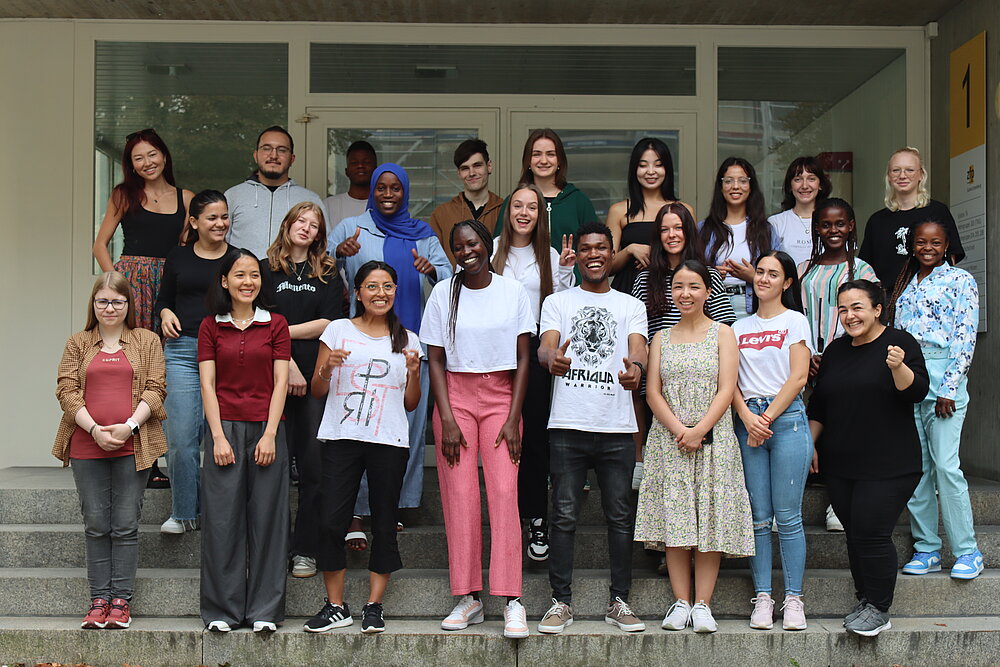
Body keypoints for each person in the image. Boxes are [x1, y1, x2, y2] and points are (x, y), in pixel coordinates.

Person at [328, 163, 452, 547]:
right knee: (362, 424)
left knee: (407, 429)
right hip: (362, 347)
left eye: (395, 188)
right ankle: (357, 509)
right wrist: (337, 257)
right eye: (381, 187)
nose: (386, 194)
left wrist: (431, 271)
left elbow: (450, 280)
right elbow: (319, 272)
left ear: (405, 192)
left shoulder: (423, 233)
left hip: (409, 345)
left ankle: (395, 505)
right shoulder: (351, 228)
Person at [421, 220, 535, 639]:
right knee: (460, 496)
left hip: (502, 396)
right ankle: (468, 597)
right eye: (458, 246)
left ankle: (511, 599)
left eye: (472, 243)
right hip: (455, 397)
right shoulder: (442, 293)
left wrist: (513, 417)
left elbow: (524, 359)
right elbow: (434, 359)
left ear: (487, 246)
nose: (465, 251)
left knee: (504, 493)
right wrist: (446, 417)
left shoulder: (512, 292)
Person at [537, 222, 648, 635]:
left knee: (619, 516)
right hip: (567, 423)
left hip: (617, 426)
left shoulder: (629, 304)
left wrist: (636, 369)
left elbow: (638, 346)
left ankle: (620, 602)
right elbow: (546, 344)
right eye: (586, 249)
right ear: (578, 255)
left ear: (611, 251)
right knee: (563, 515)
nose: (594, 255)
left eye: (602, 248)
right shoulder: (557, 301)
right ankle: (560, 603)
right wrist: (551, 359)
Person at [303, 261, 422, 635]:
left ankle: (375, 606)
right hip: (342, 437)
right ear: (358, 293)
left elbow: (411, 404)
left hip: (388, 441)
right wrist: (327, 368)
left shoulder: (408, 340)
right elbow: (317, 389)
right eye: (372, 286)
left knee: (385, 522)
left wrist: (415, 375)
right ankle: (336, 606)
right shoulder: (338, 330)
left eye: (387, 286)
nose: (380, 293)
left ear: (395, 291)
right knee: (330, 521)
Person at [635, 260, 752, 635]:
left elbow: (727, 388)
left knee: (709, 519)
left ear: (708, 291)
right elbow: (652, 392)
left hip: (713, 440)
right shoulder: (661, 339)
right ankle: (680, 601)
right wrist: (679, 431)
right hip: (669, 442)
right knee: (677, 519)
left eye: (694, 286)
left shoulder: (723, 334)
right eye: (679, 286)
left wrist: (699, 429)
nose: (686, 293)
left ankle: (703, 604)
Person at [808, 279, 928, 636]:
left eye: (857, 307)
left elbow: (917, 391)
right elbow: (820, 405)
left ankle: (879, 608)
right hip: (842, 464)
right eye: (843, 309)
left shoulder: (900, 344)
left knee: (872, 533)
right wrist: (810, 446)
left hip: (890, 463)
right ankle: (866, 599)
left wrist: (897, 367)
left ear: (878, 309)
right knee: (855, 534)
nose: (849, 315)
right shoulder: (836, 351)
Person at [54, 272, 167, 630]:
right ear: (93, 304)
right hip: (87, 444)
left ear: (128, 305)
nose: (110, 308)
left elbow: (156, 388)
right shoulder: (77, 343)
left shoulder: (147, 341)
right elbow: (66, 391)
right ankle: (98, 600)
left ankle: (120, 602)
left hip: (134, 445)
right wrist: (94, 430)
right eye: (102, 301)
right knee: (96, 524)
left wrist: (129, 426)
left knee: (125, 524)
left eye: (118, 301)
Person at [198, 248, 291, 633]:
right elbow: (207, 383)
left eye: (254, 275)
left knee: (269, 521)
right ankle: (222, 611)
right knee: (221, 522)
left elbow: (282, 381)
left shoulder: (276, 324)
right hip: (224, 429)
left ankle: (265, 611)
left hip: (267, 430)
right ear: (224, 281)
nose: (248, 281)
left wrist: (270, 433)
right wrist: (218, 437)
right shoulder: (210, 326)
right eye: (239, 275)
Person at [92, 128, 190, 488]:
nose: (147, 162)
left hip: (168, 286)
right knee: (129, 368)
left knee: (159, 373)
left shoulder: (186, 198)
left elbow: (185, 246)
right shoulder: (124, 195)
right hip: (131, 284)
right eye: (138, 158)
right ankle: (129, 454)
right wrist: (116, 286)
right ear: (130, 165)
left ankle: (154, 459)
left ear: (164, 155)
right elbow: (100, 245)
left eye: (152, 154)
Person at [886, 221, 983, 580]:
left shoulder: (960, 281)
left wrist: (949, 387)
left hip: (945, 379)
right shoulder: (905, 284)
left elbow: (965, 336)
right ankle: (926, 548)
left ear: (946, 246)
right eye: (921, 242)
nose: (928, 248)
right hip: (910, 377)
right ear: (912, 246)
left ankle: (968, 551)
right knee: (918, 467)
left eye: (936, 242)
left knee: (945, 465)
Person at [491, 184, 576, 562]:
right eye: (518, 206)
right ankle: (507, 520)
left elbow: (561, 308)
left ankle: (537, 517)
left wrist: (568, 272)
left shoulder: (553, 256)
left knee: (535, 441)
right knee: (502, 441)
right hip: (495, 359)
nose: (524, 213)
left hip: (536, 359)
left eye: (533, 207)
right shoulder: (490, 249)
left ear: (541, 215)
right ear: (508, 211)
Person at [731, 252, 812, 631]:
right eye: (760, 272)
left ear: (787, 283)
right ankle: (763, 596)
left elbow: (798, 378)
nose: (763, 278)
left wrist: (765, 418)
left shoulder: (795, 321)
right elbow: (728, 382)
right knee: (758, 518)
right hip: (749, 424)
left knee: (789, 516)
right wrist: (748, 418)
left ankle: (794, 598)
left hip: (787, 421)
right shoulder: (736, 327)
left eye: (772, 274)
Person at [631, 203, 736, 490]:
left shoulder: (709, 276)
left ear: (689, 231)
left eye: (678, 228)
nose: (671, 235)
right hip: (662, 372)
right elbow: (638, 330)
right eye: (664, 229)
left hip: (702, 375)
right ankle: (640, 460)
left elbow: (727, 324)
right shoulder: (644, 278)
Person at [264, 202, 343, 579]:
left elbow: (329, 322)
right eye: (301, 221)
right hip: (271, 376)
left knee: (313, 466)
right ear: (288, 225)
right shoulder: (264, 270)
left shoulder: (328, 272)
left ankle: (305, 550)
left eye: (314, 225)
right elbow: (257, 319)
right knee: (273, 467)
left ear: (319, 235)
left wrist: (280, 334)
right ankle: (272, 549)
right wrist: (287, 359)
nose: (306, 228)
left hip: (315, 380)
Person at [797, 197, 878, 533]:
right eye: (826, 224)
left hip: (846, 359)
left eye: (840, 223)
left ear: (851, 226)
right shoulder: (803, 269)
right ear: (817, 227)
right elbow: (795, 316)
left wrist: (832, 357)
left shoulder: (862, 270)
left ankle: (836, 505)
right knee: (800, 432)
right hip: (805, 363)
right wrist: (805, 357)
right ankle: (790, 505)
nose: (833, 230)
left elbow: (868, 318)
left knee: (843, 432)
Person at [154, 190, 232, 534]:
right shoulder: (178, 257)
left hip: (228, 353)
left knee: (224, 438)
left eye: (225, 216)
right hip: (183, 351)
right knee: (182, 438)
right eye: (212, 217)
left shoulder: (241, 259)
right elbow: (163, 300)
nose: (220, 223)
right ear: (194, 222)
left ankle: (220, 516)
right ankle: (184, 513)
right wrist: (165, 312)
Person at [859, 147, 965, 286]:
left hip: (929, 296)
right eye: (896, 170)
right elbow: (866, 268)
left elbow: (952, 256)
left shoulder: (937, 212)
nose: (902, 175)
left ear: (921, 175)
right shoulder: (877, 221)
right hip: (887, 299)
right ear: (888, 176)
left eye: (909, 170)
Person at [607, 137, 694, 295]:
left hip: (672, 292)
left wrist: (657, 254)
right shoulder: (618, 210)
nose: (651, 171)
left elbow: (692, 257)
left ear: (667, 169)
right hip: (628, 291)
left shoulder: (684, 210)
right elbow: (606, 267)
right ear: (634, 169)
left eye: (658, 165)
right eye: (643, 165)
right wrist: (630, 250)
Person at [225, 126, 325, 259]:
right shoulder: (233, 196)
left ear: (292, 159)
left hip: (293, 278)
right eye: (266, 148)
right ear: (256, 155)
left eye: (282, 150)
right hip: (245, 278)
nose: (273, 155)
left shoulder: (311, 199)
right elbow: (218, 244)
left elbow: (323, 248)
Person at [494, 129, 598, 253]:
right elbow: (498, 248)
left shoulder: (578, 201)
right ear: (528, 160)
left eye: (550, 154)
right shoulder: (514, 202)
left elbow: (594, 248)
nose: (543, 161)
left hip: (569, 272)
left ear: (559, 160)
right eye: (536, 154)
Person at [700, 157, 777, 319]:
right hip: (712, 307)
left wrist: (753, 276)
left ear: (751, 186)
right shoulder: (703, 229)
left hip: (751, 307)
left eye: (742, 181)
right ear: (721, 187)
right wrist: (710, 274)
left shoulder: (766, 229)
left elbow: (779, 274)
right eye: (728, 181)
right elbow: (689, 271)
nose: (735, 186)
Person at [429, 139, 504, 267]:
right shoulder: (441, 214)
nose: (472, 173)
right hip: (455, 286)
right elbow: (437, 265)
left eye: (477, 165)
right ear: (459, 173)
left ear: (489, 166)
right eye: (465, 168)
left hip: (499, 285)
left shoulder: (506, 210)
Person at [767, 156, 832, 267]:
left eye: (811, 179)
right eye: (798, 179)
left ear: (820, 184)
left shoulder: (832, 220)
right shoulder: (776, 222)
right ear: (790, 186)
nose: (805, 186)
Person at [323, 140, 378, 232]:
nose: (360, 166)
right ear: (346, 171)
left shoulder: (384, 206)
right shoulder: (328, 205)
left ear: (376, 170)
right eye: (354, 163)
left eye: (366, 162)